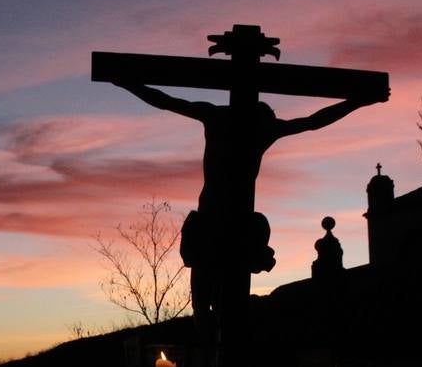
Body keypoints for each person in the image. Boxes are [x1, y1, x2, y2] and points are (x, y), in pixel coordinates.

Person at [115, 83, 386, 327]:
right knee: (217, 305)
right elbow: (313, 121)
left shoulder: (221, 117)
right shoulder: (260, 127)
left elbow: (166, 100)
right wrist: (357, 102)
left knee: (209, 305)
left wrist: (127, 83)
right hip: (229, 225)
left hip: (219, 221)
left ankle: (215, 348)